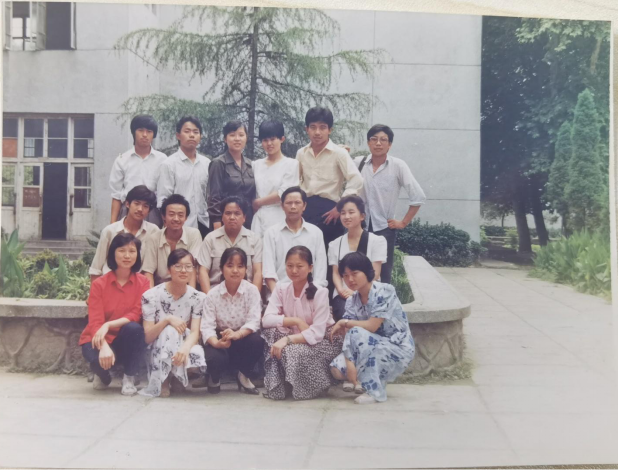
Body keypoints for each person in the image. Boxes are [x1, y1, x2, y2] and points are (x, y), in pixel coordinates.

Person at [330, 252, 415, 404]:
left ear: (367, 272)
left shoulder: (385, 291)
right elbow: (349, 334)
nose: (350, 279)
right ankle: (366, 380)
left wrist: (344, 322)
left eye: (355, 273)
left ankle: (375, 392)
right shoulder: (351, 301)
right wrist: (349, 361)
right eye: (345, 275)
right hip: (369, 346)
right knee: (337, 369)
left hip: (396, 347)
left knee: (356, 330)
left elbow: (372, 326)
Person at [261, 246, 343, 400]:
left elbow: (317, 333)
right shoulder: (281, 289)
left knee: (289, 350)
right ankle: (282, 385)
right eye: (290, 266)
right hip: (296, 336)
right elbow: (266, 320)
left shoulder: (320, 292)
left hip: (323, 342)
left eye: (299, 266)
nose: (294, 270)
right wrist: (295, 321)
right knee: (270, 334)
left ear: (310, 267)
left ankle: (312, 386)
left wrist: (286, 340)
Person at [79, 233, 149, 395]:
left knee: (134, 328)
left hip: (125, 339)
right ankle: (103, 376)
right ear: (113, 253)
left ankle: (129, 377)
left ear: (137, 255)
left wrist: (109, 324)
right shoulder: (99, 284)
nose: (127, 256)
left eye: (132, 251)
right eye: (121, 250)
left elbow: (136, 313)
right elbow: (95, 320)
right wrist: (103, 345)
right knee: (94, 358)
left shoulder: (143, 282)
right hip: (98, 337)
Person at [354, 124, 426, 284]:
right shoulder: (358, 163)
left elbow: (418, 196)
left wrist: (403, 222)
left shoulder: (398, 166)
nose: (378, 143)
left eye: (383, 140)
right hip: (359, 228)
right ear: (368, 143)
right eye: (374, 139)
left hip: (384, 229)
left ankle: (383, 301)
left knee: (383, 276)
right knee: (357, 273)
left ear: (390, 144)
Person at [139, 249, 207, 398]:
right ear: (169, 269)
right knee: (169, 330)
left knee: (194, 350)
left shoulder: (198, 297)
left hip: (182, 342)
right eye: (178, 266)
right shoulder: (151, 295)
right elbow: (148, 337)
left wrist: (184, 349)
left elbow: (195, 332)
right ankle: (163, 380)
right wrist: (167, 320)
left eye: (188, 266)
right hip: (157, 346)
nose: (183, 270)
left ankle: (177, 376)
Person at [296, 107, 363, 250]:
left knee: (329, 255)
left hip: (330, 213)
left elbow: (356, 179)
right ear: (306, 129)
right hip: (306, 210)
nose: (317, 132)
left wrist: (340, 207)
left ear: (330, 130)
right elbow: (295, 182)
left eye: (322, 127)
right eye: (313, 127)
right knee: (305, 254)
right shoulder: (301, 153)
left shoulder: (339, 153)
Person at [201, 247, 264, 395]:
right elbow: (207, 327)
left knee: (257, 341)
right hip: (220, 338)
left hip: (242, 336)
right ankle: (214, 378)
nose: (235, 270)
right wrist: (217, 343)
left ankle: (243, 376)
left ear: (246, 269)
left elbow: (254, 321)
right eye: (230, 266)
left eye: (240, 266)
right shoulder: (212, 294)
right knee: (214, 357)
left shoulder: (252, 290)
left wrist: (237, 334)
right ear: (221, 269)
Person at [328, 195, 387, 321]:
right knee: (345, 317)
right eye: (343, 213)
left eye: (351, 212)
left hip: (369, 294)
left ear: (362, 216)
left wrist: (355, 293)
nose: (346, 216)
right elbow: (336, 273)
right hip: (343, 295)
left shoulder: (377, 241)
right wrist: (341, 290)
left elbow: (375, 273)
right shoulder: (335, 244)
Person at [262, 186, 327, 293]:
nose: (293, 207)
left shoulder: (316, 233)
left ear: (304, 206)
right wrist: (278, 296)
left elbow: (320, 270)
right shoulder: (271, 233)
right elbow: (268, 271)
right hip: (279, 292)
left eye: (297, 203)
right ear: (282, 206)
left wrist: (312, 293)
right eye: (289, 203)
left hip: (310, 293)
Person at [89, 185, 158, 281]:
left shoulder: (153, 231)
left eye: (145, 206)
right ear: (127, 204)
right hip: (110, 283)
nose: (140, 209)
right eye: (136, 203)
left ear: (149, 210)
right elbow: (96, 268)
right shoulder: (110, 231)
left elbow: (150, 269)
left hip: (138, 285)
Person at [157, 116, 211, 237]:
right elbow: (163, 199)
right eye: (187, 131)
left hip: (204, 223)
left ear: (200, 136)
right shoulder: (169, 164)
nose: (192, 135)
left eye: (196, 132)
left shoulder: (207, 163)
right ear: (178, 135)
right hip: (178, 225)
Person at [108, 115, 166, 226]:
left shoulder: (162, 160)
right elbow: (116, 195)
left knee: (152, 237)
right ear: (134, 132)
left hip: (153, 211)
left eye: (149, 131)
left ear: (153, 134)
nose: (145, 135)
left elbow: (164, 193)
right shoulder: (122, 159)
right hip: (128, 210)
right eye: (140, 130)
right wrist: (112, 225)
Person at [197, 196, 263, 294]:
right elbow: (203, 271)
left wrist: (254, 297)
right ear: (222, 217)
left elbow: (258, 272)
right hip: (216, 293)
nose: (232, 217)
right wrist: (209, 297)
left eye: (237, 213)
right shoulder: (210, 238)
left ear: (244, 217)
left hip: (246, 294)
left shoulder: (254, 239)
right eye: (228, 213)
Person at [250, 120, 299, 236]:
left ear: (282, 139)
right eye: (265, 140)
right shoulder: (256, 165)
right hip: (258, 217)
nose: (269, 143)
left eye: (273, 139)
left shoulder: (291, 164)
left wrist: (258, 202)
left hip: (279, 215)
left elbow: (285, 193)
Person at [142, 194, 202, 288]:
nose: (176, 219)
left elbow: (192, 268)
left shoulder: (194, 234)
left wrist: (191, 294)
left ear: (186, 217)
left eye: (180, 215)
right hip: (160, 287)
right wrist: (151, 295)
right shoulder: (154, 238)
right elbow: (148, 271)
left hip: (185, 287)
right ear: (163, 216)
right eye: (171, 214)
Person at [207, 121, 256, 230]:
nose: (237, 139)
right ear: (225, 139)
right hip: (226, 221)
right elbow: (214, 197)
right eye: (232, 135)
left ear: (246, 138)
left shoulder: (250, 164)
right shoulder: (218, 163)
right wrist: (217, 224)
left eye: (241, 135)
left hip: (247, 221)